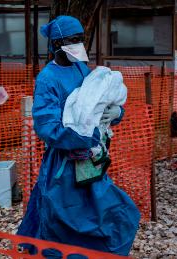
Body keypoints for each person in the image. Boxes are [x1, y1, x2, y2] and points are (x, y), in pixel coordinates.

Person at [16, 15, 140, 257]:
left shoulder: (81, 69)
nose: (78, 45)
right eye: (71, 40)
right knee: (61, 221)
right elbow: (47, 127)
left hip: (90, 163)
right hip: (63, 165)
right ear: (55, 45)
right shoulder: (47, 79)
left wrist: (115, 112)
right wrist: (87, 137)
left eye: (80, 39)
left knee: (114, 214)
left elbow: (98, 101)